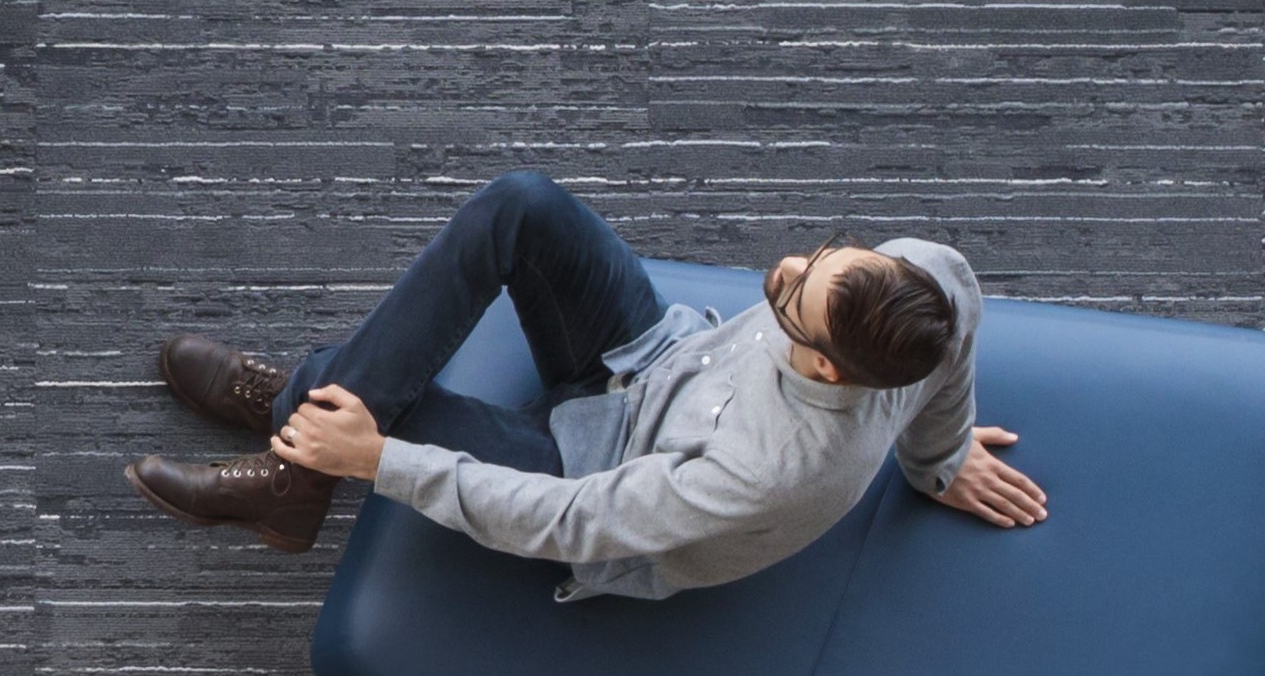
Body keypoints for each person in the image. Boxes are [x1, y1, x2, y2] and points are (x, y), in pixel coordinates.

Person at [123, 169, 1046, 594]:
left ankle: (303, 449)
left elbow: (573, 524)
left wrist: (377, 461)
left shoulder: (762, 468)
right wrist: (939, 458)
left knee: (339, 388)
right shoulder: (931, 274)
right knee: (521, 206)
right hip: (653, 358)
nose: (789, 262)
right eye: (828, 253)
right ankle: (297, 474)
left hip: (600, 474)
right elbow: (949, 363)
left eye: (795, 294)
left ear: (818, 364)